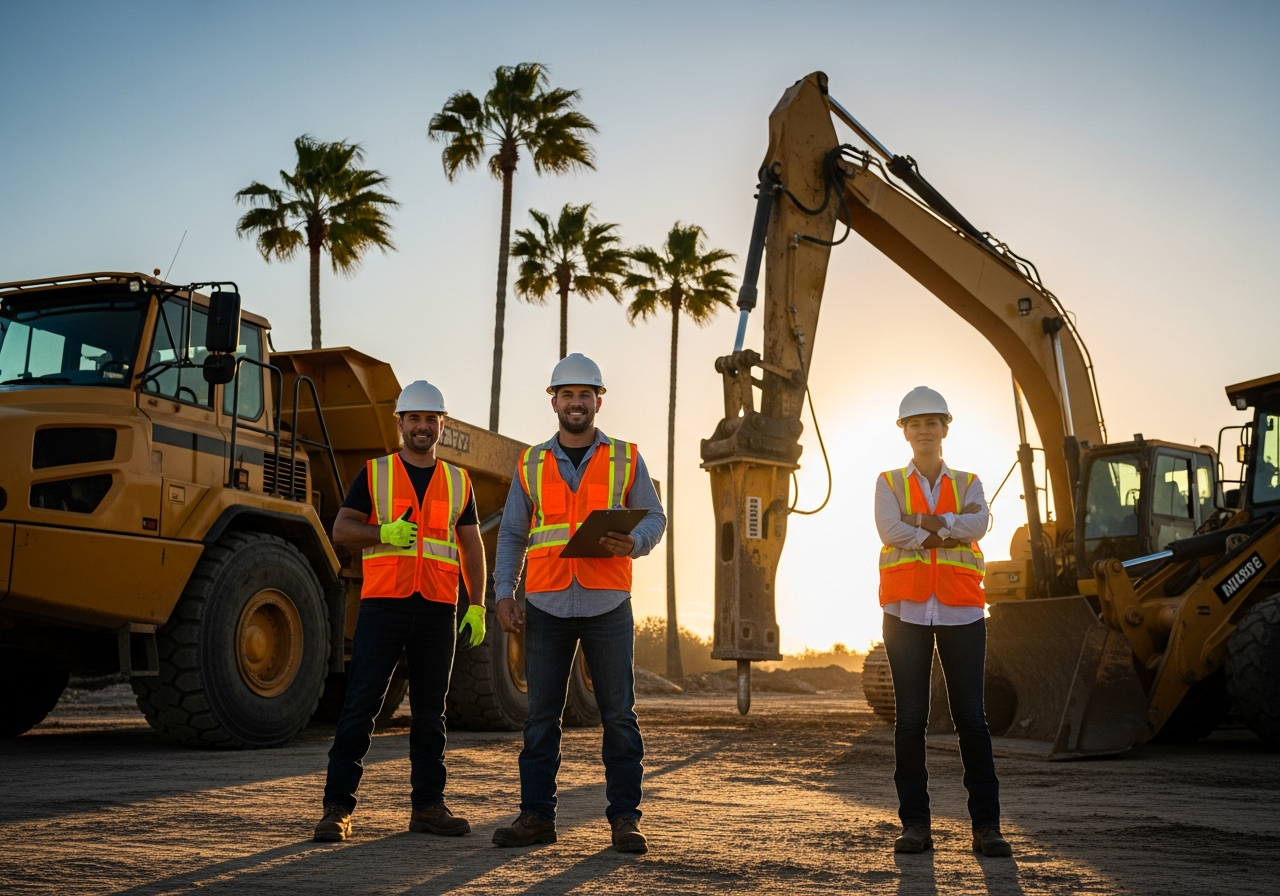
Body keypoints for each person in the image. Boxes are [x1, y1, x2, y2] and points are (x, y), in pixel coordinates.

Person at [490, 353, 666, 854]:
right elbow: (513, 536)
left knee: (619, 717)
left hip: (608, 603)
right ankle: (536, 818)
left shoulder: (627, 458)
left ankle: (625, 819)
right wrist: (505, 592)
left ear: (598, 401)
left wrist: (636, 543)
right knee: (541, 717)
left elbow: (655, 517)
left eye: (584, 394)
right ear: (554, 401)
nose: (575, 402)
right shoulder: (530, 462)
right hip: (545, 603)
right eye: (566, 394)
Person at [314, 380, 487, 842]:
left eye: (432, 419)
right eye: (415, 419)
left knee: (431, 715)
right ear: (401, 424)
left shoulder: (459, 480)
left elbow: (471, 545)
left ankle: (428, 808)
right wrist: (382, 533)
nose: (423, 426)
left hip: (437, 610)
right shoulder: (375, 474)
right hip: (384, 605)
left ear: (441, 426)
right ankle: (336, 810)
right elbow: (342, 530)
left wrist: (478, 605)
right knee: (361, 709)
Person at [875, 386, 1012, 858]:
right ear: (905, 432)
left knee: (971, 719)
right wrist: (950, 523)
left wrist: (926, 525)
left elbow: (980, 524)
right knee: (910, 721)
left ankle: (987, 828)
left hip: (961, 610)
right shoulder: (888, 481)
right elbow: (889, 530)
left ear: (945, 428)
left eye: (931, 422)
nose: (923, 430)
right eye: (914, 424)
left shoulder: (970, 480)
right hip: (906, 611)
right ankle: (915, 826)